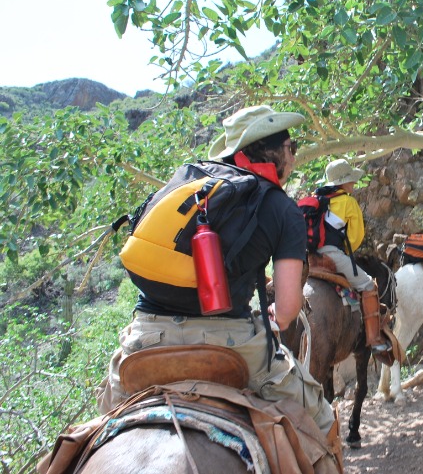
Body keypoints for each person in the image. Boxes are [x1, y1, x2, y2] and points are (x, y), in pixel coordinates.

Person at [96, 105, 336, 439]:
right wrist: (273, 316)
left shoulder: (190, 185)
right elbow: (285, 310)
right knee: (323, 421)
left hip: (145, 337)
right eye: (291, 147)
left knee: (99, 426)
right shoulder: (282, 208)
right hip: (230, 343)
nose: (294, 156)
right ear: (270, 152)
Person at [315, 159, 392, 355]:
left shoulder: (316, 200)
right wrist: (344, 254)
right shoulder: (348, 202)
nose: (354, 183)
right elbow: (355, 238)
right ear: (343, 182)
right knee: (368, 285)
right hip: (331, 255)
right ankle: (374, 340)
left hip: (309, 259)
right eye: (351, 179)